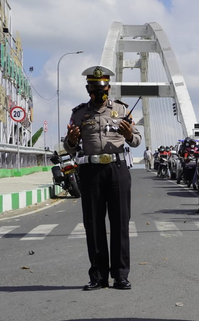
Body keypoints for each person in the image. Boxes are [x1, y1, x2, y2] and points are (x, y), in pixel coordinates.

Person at [64, 65, 141, 291]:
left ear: (109, 87)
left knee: (120, 222)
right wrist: (70, 140)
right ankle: (98, 276)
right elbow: (70, 148)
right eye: (94, 88)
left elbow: (136, 140)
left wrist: (128, 135)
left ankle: (120, 275)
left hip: (117, 169)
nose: (99, 92)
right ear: (88, 89)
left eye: (103, 87)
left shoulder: (122, 109)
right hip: (90, 171)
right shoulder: (79, 113)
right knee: (94, 224)